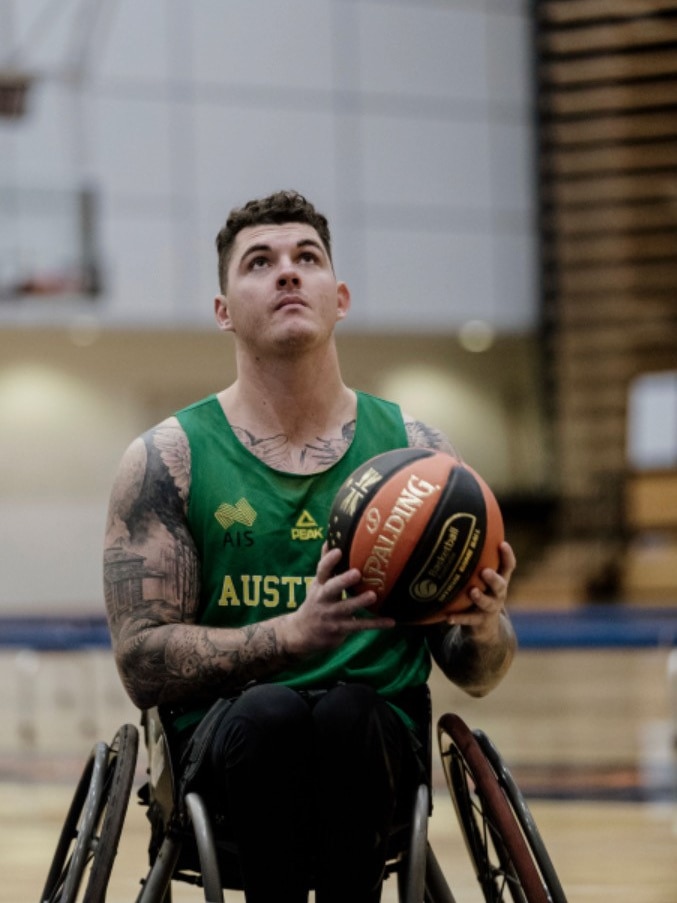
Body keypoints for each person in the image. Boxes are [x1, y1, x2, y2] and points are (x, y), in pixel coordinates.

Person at [103, 189, 517, 903]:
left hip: (377, 751)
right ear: (223, 309)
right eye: (259, 262)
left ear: (340, 295)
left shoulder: (419, 456)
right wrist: (290, 635)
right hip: (223, 755)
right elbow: (141, 663)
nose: (287, 273)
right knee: (270, 711)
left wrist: (482, 624)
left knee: (348, 711)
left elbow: (475, 671)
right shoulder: (168, 458)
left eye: (307, 258)